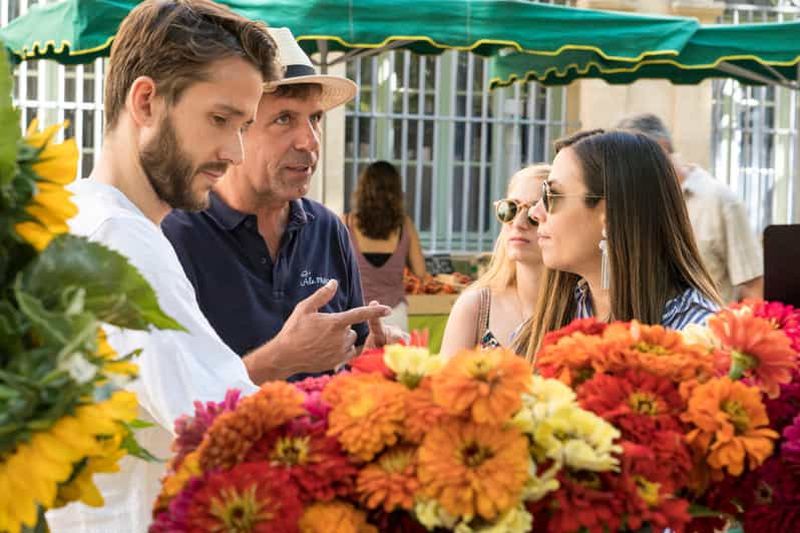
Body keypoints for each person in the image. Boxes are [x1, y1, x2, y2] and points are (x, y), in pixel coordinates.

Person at [48, 4, 388, 531]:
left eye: (245, 125)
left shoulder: (82, 217)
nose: (233, 150)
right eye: (220, 119)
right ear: (146, 102)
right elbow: (224, 424)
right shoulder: (121, 241)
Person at [162, 27, 403, 383]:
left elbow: (346, 361)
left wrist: (368, 358)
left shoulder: (328, 228)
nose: (310, 141)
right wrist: (281, 358)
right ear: (234, 128)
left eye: (315, 118)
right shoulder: (175, 233)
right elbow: (170, 396)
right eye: (284, 119)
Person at [521, 129, 721, 359]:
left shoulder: (698, 337)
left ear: (609, 213)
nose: (535, 212)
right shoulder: (555, 317)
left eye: (551, 196)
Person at [616, 113, 764, 303]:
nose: (628, 175)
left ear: (662, 149)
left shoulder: (720, 201)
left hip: (710, 329)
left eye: (633, 163)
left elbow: (753, 286)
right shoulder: (638, 203)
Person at [439, 164, 549, 357]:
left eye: (534, 213)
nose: (518, 223)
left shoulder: (583, 307)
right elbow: (444, 385)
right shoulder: (475, 307)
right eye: (510, 209)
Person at [342, 160, 427, 331]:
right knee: (394, 359)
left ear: (362, 190)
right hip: (394, 315)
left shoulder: (345, 223)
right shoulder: (405, 226)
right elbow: (421, 272)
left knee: (359, 359)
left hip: (356, 315)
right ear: (396, 193)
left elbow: (333, 272)